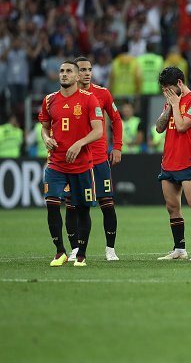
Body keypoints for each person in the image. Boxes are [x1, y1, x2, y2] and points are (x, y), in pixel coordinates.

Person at [38, 61, 103, 267]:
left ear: (77, 77)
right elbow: (44, 127)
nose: (64, 75)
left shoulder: (89, 99)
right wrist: (46, 138)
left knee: (83, 209)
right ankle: (60, 252)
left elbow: (98, 131)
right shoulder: (49, 100)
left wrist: (80, 143)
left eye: (68, 71)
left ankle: (81, 254)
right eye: (61, 71)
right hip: (56, 163)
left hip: (82, 164)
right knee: (52, 204)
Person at [64, 56, 123, 262]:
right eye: (82, 69)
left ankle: (110, 249)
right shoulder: (68, 97)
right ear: (75, 73)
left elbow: (116, 119)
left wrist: (117, 147)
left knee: (107, 203)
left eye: (90, 69)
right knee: (74, 206)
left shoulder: (102, 93)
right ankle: (74, 249)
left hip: (98, 159)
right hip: (77, 161)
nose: (87, 73)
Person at [154, 66, 191, 260]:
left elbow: (182, 126)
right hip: (168, 161)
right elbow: (159, 128)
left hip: (187, 161)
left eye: (168, 88)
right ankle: (180, 249)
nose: (165, 92)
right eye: (163, 89)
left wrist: (176, 105)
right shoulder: (171, 102)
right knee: (172, 207)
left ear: (179, 83)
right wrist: (169, 107)